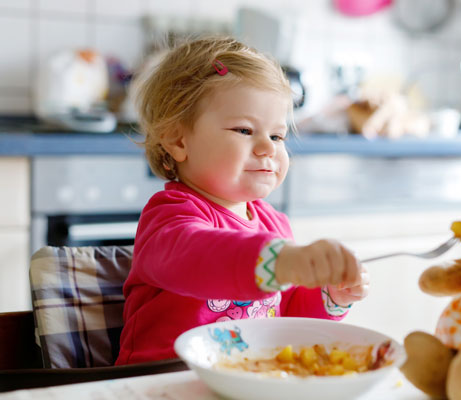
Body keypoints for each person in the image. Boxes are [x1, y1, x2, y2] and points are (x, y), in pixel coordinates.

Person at [115, 37, 370, 365]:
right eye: (245, 131)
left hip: (243, 379)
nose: (268, 148)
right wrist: (281, 262)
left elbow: (286, 315)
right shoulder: (168, 217)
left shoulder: (275, 224)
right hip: (161, 384)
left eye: (277, 136)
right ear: (178, 140)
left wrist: (329, 295)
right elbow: (197, 255)